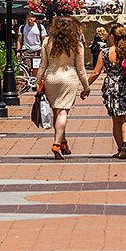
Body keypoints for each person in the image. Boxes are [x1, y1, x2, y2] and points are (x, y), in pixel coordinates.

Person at [38, 16, 90, 160]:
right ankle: (56, 144)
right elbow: (81, 69)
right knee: (62, 112)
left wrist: (38, 81)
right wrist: (86, 86)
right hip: (69, 78)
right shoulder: (76, 44)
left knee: (56, 111)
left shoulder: (47, 41)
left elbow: (43, 64)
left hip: (51, 77)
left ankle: (63, 142)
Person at [87, 23, 126, 159]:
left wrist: (86, 86)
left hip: (112, 87)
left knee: (116, 121)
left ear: (111, 36)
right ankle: (125, 142)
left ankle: (119, 148)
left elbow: (96, 72)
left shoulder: (105, 52)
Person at [17, 13, 48, 83]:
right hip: (26, 50)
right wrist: (18, 50)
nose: (29, 21)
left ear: (34, 19)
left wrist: (45, 49)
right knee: (26, 68)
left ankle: (34, 82)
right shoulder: (22, 27)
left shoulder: (40, 27)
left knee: (36, 68)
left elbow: (44, 38)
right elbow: (19, 40)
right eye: (27, 19)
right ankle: (27, 83)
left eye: (31, 19)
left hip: (37, 50)